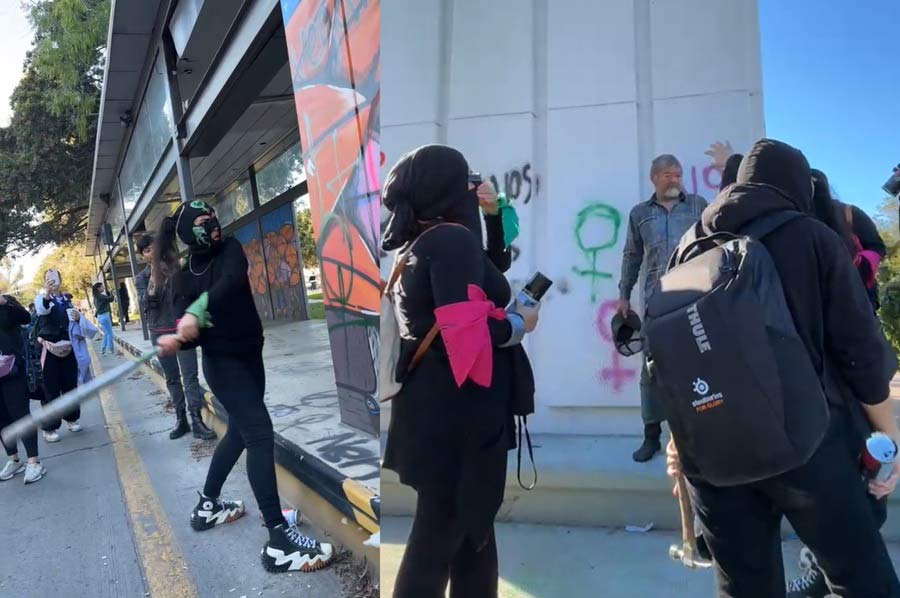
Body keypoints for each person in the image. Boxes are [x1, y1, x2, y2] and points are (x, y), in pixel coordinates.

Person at [666, 139, 900, 597]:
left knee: (744, 588)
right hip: (810, 443)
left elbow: (675, 355)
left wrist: (680, 444)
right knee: (862, 580)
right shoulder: (812, 236)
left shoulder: (687, 247)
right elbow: (861, 352)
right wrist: (889, 436)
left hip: (713, 453)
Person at [381, 145, 540, 598]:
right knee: (437, 540)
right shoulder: (451, 243)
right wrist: (518, 323)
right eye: (468, 180)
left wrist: (492, 214)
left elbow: (492, 267)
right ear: (449, 189)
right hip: (458, 421)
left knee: (474, 534)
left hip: (439, 412)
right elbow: (466, 342)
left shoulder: (428, 240)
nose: (476, 186)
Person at [155, 200, 333, 573]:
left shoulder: (230, 250)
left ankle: (209, 505)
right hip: (224, 367)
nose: (215, 226)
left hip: (252, 358)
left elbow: (232, 282)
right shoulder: (182, 280)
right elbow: (191, 336)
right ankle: (279, 541)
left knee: (238, 432)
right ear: (188, 233)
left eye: (214, 218)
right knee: (258, 433)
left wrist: (197, 310)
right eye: (205, 222)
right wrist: (179, 340)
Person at [617, 154, 708, 462]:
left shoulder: (698, 205)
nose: (675, 179)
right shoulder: (640, 214)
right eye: (668, 175)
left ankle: (696, 434)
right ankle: (651, 436)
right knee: (651, 370)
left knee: (696, 364)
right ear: (654, 178)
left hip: (693, 298)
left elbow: (716, 245)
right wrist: (623, 295)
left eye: (678, 174)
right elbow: (631, 256)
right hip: (656, 302)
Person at [135, 233, 216, 441]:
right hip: (159, 333)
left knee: (190, 375)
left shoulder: (175, 269)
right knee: (172, 378)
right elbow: (147, 302)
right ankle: (181, 419)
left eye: (154, 247)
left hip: (180, 331)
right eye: (147, 250)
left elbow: (188, 292)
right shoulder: (141, 278)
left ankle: (196, 419)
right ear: (143, 255)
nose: (152, 252)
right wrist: (154, 274)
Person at [811, 168, 886, 313]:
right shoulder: (797, 216)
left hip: (859, 297)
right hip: (818, 302)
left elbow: (878, 247)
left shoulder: (849, 213)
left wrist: (859, 264)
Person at [0, 293, 45, 484]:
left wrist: (4, 303)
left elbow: (25, 318)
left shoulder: (6, 306)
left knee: (21, 415)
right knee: (2, 418)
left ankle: (34, 462)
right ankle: (14, 459)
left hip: (13, 371)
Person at [34, 269, 82, 443]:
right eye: (48, 279)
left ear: (61, 280)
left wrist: (77, 317)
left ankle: (72, 418)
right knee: (50, 388)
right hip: (49, 349)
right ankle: (49, 427)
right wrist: (46, 294)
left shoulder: (67, 300)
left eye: (54, 278)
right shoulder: (41, 299)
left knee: (70, 385)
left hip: (68, 348)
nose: (51, 282)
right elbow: (42, 310)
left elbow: (75, 323)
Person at [68, 309, 97, 386]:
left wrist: (79, 318)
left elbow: (88, 330)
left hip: (77, 349)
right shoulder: (44, 303)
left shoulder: (68, 307)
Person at [93, 282, 115, 355]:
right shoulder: (101, 296)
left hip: (100, 317)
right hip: (105, 316)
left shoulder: (95, 297)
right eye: (102, 287)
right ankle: (111, 349)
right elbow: (111, 299)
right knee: (109, 333)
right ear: (98, 288)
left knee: (106, 333)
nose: (103, 288)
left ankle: (103, 349)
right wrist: (111, 292)